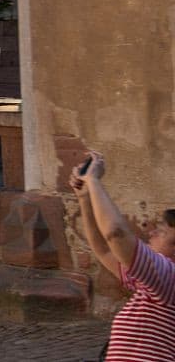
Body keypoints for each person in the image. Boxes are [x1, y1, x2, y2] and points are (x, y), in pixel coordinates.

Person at [73, 148, 175, 359]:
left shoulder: (169, 279)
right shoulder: (151, 283)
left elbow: (116, 234)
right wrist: (85, 198)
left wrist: (94, 181)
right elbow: (103, 250)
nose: (152, 233)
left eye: (162, 231)